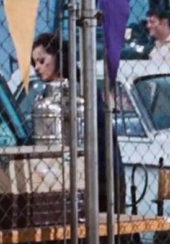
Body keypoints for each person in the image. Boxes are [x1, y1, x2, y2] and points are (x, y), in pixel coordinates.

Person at [29, 33, 125, 215]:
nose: (37, 68)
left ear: (58, 57)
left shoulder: (82, 89)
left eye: (42, 61)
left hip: (100, 175)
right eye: (34, 64)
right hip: (70, 177)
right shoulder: (46, 94)